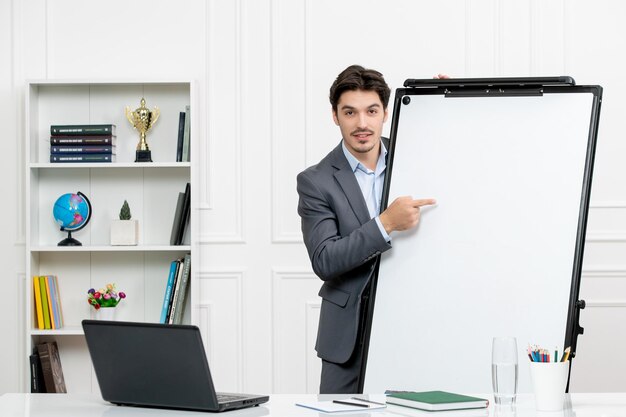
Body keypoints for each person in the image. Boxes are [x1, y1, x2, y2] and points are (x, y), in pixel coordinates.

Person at [296, 65, 436, 393]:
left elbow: (463, 161)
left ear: (385, 113)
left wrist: (445, 107)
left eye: (371, 111)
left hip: (417, 324)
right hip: (347, 340)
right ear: (335, 116)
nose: (362, 123)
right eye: (350, 112)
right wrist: (385, 223)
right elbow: (325, 260)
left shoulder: (417, 156)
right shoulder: (315, 181)